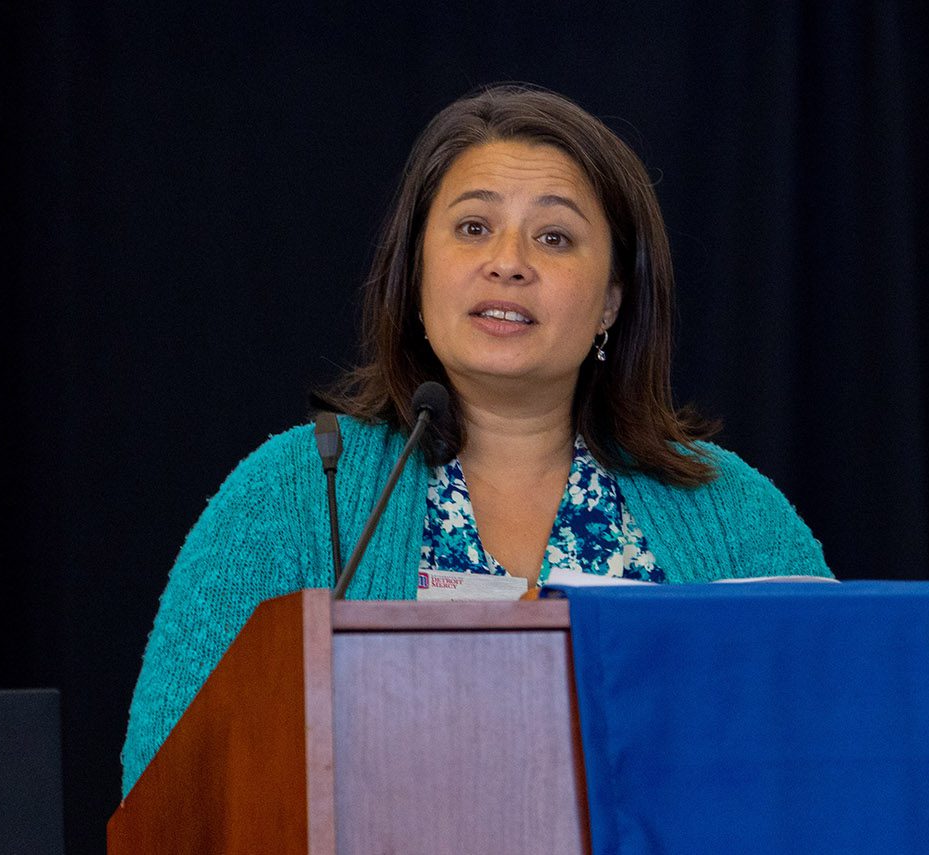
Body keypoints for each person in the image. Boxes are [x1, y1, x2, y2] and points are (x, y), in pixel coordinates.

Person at [121, 83, 832, 795]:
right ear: (417, 272)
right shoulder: (292, 497)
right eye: (472, 228)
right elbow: (168, 791)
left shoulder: (731, 511)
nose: (508, 261)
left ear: (611, 301)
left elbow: (835, 761)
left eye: (554, 237)